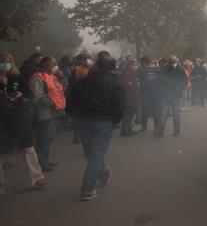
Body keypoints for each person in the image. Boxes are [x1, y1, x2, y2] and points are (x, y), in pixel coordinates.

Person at [69, 51, 124, 201]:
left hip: (84, 121)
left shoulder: (85, 81)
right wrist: (115, 120)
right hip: (103, 122)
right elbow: (120, 104)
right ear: (113, 67)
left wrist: (75, 116)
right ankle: (87, 189)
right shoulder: (116, 82)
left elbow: (72, 98)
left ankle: (104, 174)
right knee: (96, 156)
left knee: (92, 154)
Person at [0, 53, 47, 194]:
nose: (5, 63)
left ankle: (37, 177)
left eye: (8, 61)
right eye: (2, 61)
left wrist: (20, 94)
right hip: (1, 118)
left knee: (27, 146)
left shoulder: (16, 77)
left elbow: (29, 94)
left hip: (17, 116)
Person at [30, 56, 66, 172]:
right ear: (45, 65)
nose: (56, 66)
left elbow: (61, 89)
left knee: (49, 137)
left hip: (55, 111)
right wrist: (52, 102)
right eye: (53, 64)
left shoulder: (52, 76)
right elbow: (38, 97)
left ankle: (45, 159)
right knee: (44, 138)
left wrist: (61, 78)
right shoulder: (37, 77)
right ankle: (41, 163)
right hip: (46, 113)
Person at [159, 55, 187, 137]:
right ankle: (160, 132)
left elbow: (185, 81)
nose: (175, 64)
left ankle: (177, 131)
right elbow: (160, 79)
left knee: (176, 114)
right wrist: (167, 83)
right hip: (166, 95)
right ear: (170, 63)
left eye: (176, 62)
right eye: (173, 63)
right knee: (163, 114)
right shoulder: (165, 69)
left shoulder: (181, 69)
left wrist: (179, 86)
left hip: (176, 95)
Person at [120, 58, 140, 136]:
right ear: (130, 65)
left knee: (131, 114)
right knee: (127, 115)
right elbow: (128, 87)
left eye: (136, 64)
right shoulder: (127, 74)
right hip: (128, 98)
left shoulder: (133, 73)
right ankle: (124, 131)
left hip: (134, 97)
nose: (136, 66)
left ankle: (129, 129)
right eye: (134, 64)